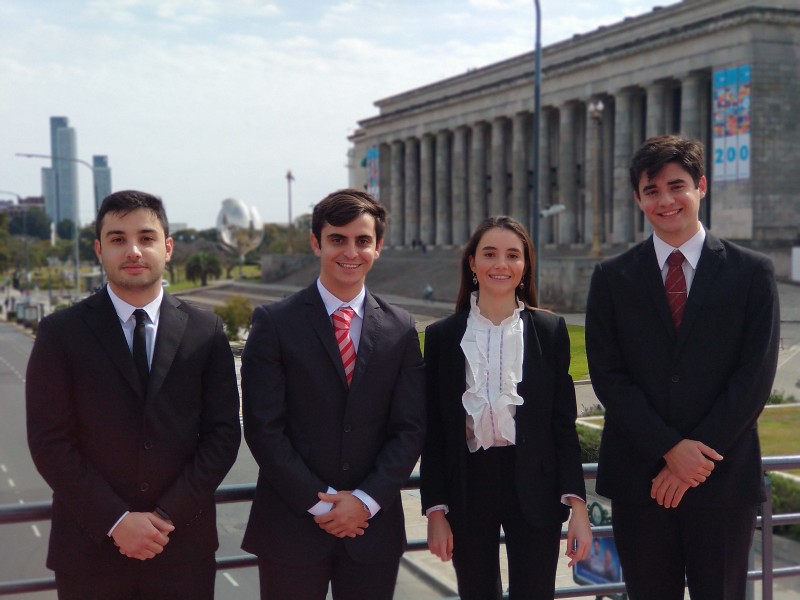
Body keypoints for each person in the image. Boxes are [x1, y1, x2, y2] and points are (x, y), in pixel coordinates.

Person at [586, 135, 780, 600]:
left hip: (722, 480)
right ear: (638, 199)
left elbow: (754, 378)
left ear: (701, 187)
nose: (666, 200)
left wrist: (694, 457)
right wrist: (670, 449)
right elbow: (609, 377)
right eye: (652, 191)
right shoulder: (612, 278)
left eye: (677, 186)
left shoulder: (752, 272)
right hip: (642, 481)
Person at [26, 190, 241, 600]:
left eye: (146, 237)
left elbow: (223, 435)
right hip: (90, 552)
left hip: (182, 550)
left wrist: (163, 517)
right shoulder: (60, 334)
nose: (134, 250)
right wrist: (116, 520)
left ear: (168, 247)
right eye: (117, 238)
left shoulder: (206, 331)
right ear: (99, 249)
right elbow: (49, 442)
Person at [240, 188, 426, 600]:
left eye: (362, 240)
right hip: (291, 526)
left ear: (378, 247)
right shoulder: (274, 322)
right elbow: (263, 429)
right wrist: (322, 505)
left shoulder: (400, 328)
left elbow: (410, 429)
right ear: (316, 243)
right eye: (337, 239)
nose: (350, 251)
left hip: (371, 528)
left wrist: (364, 500)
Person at [420, 216, 592, 600]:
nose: (502, 264)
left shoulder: (549, 330)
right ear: (473, 263)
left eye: (513, 255)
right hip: (468, 487)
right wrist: (434, 510)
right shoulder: (443, 336)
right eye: (490, 253)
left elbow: (563, 426)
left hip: (537, 487)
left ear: (525, 265)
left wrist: (578, 507)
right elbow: (434, 431)